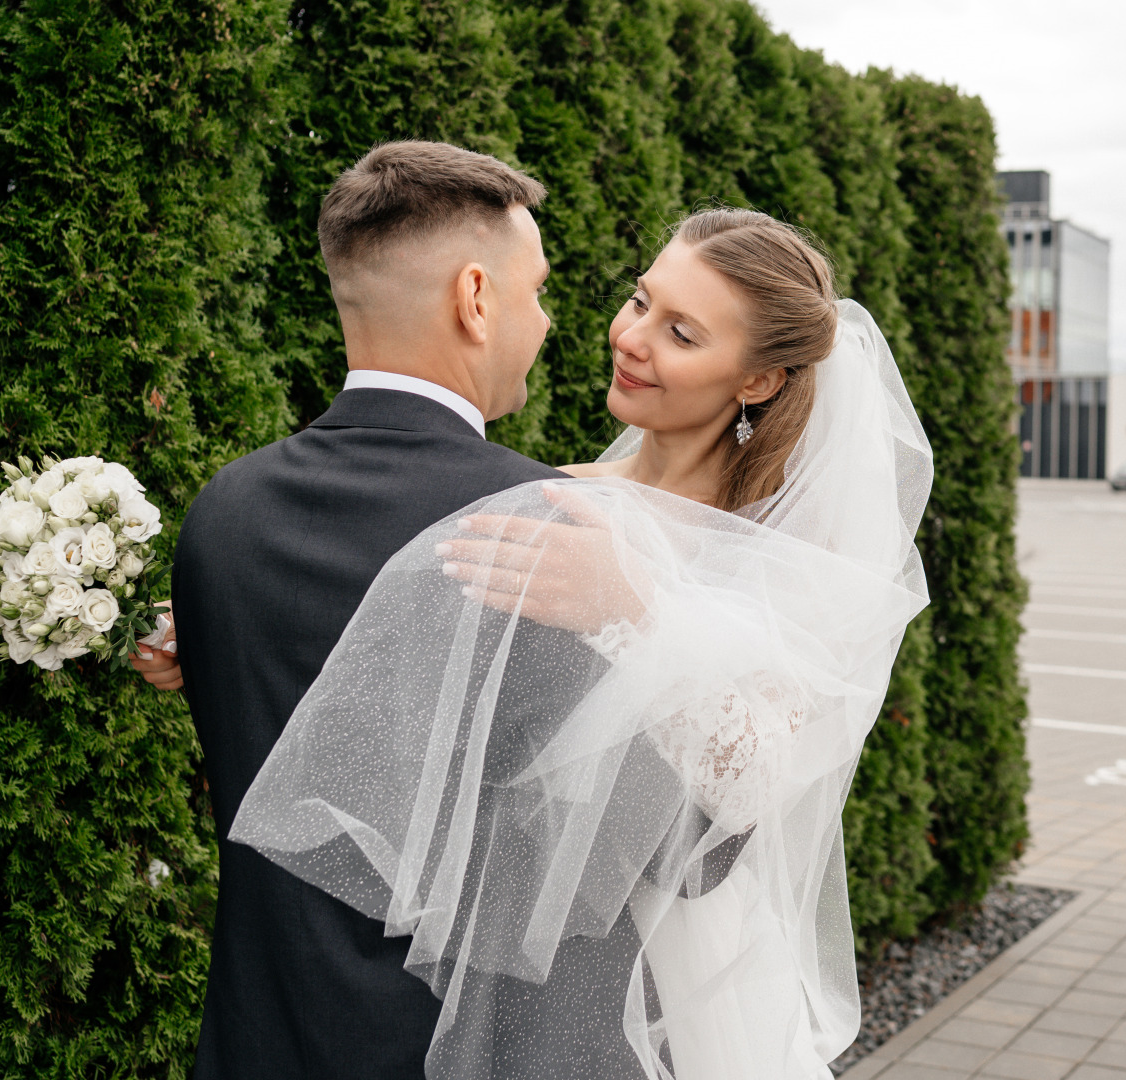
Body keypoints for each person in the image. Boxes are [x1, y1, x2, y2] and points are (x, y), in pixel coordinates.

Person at [142, 196, 933, 1076]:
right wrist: (217, 627)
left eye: (680, 333)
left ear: (756, 381)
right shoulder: (555, 494)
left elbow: (746, 799)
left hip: (655, 970)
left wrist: (634, 614)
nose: (631, 339)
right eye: (640, 301)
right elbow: (431, 673)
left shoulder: (775, 557)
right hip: (492, 959)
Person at [146, 140, 560, 1080]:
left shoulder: (223, 514)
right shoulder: (540, 532)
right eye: (536, 291)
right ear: (474, 296)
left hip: (257, 1045)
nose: (544, 321)